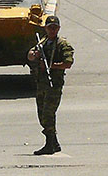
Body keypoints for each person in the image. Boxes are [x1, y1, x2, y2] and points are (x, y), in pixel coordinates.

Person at [27, 15, 74, 155]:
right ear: (46, 29)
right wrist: (33, 54)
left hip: (54, 84)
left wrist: (51, 66)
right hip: (41, 83)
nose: (52, 30)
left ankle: (49, 144)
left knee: (48, 114)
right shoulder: (43, 42)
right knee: (41, 113)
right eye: (49, 28)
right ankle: (54, 142)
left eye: (54, 28)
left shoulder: (62, 44)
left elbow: (68, 63)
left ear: (58, 28)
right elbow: (29, 55)